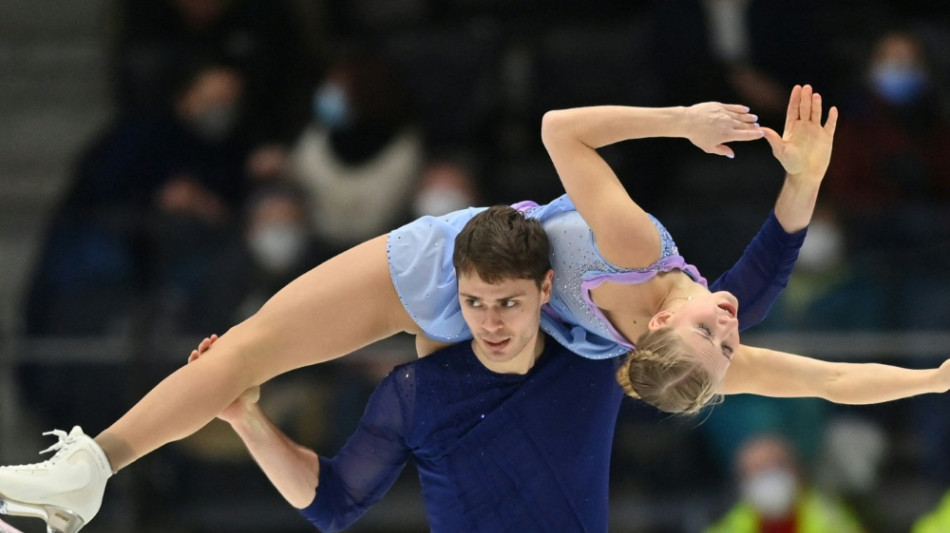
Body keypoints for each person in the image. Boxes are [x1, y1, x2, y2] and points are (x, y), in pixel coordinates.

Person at [4, 85, 950, 533]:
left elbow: (561, 132)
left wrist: (684, 130)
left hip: (488, 302)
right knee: (245, 352)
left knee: (247, 359)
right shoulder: (663, 276)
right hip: (471, 275)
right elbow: (824, 363)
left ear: (659, 333)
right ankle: (90, 469)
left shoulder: (655, 285)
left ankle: (93, 470)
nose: (732, 324)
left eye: (718, 334)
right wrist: (936, 376)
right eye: (725, 335)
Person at [196, 205, 625, 531]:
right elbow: (332, 503)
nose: (490, 324)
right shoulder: (420, 391)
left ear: (545, 287)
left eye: (508, 303)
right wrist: (246, 418)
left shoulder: (598, 356)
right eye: (474, 302)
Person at [704, 434, 866, 533]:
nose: (768, 476)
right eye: (758, 469)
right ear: (742, 481)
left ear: (797, 470)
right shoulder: (726, 528)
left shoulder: (835, 521)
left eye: (776, 464)